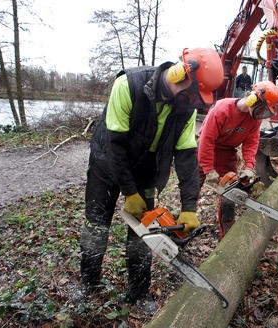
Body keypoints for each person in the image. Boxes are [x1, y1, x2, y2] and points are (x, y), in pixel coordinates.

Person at [79, 47, 224, 310]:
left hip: (146, 167)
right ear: (181, 74)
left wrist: (189, 208)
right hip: (107, 163)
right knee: (97, 224)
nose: (193, 102)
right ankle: (89, 282)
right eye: (192, 95)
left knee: (144, 232)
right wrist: (128, 191)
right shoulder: (128, 85)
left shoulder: (186, 110)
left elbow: (186, 156)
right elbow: (115, 145)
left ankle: (138, 291)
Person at [197, 80, 278, 238]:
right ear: (252, 99)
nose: (261, 115)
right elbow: (206, 141)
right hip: (205, 150)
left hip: (227, 152)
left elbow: (251, 142)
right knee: (193, 187)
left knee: (230, 191)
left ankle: (227, 230)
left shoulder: (254, 120)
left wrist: (249, 166)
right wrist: (208, 169)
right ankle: (186, 219)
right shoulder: (221, 109)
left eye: (266, 113)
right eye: (262, 110)